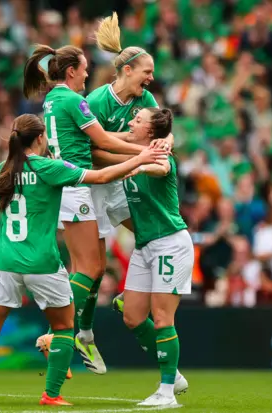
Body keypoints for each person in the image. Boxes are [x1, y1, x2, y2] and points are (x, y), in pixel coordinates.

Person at [0, 114, 166, 407]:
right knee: (65, 328)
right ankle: (51, 395)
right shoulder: (49, 168)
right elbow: (102, 176)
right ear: (41, 138)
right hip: (41, 263)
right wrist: (141, 158)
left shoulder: (6, 168)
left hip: (5, 261)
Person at [23, 44, 151, 374]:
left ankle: (70, 336)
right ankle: (57, 334)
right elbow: (103, 142)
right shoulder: (73, 100)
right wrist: (141, 153)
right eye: (83, 69)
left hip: (66, 185)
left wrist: (133, 144)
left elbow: (105, 136)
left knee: (86, 267)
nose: (87, 75)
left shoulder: (52, 99)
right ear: (70, 72)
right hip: (77, 186)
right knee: (91, 269)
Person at [73, 12, 175, 372]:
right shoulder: (98, 101)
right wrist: (138, 153)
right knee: (95, 267)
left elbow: (163, 128)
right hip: (97, 186)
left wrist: (162, 145)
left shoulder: (144, 98)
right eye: (146, 71)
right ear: (127, 69)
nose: (151, 77)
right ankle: (83, 333)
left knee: (151, 231)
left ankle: (130, 298)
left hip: (121, 182)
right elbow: (94, 151)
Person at [97, 108, 192, 406]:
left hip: (170, 244)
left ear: (152, 132)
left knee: (163, 318)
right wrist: (135, 161)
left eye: (138, 121)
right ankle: (174, 374)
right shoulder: (132, 153)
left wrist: (141, 166)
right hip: (144, 245)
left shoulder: (161, 153)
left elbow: (162, 167)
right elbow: (100, 143)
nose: (131, 122)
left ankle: (166, 392)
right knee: (132, 315)